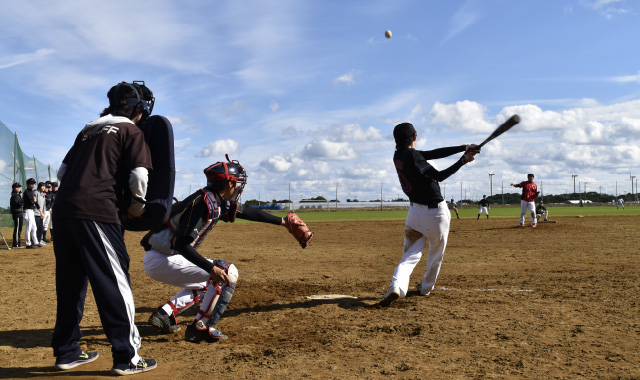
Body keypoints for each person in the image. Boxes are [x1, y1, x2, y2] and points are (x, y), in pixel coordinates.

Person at [142, 157, 313, 342]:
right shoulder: (204, 203)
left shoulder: (213, 199)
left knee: (208, 283)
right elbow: (181, 244)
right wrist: (211, 269)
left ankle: (164, 314)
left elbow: (246, 212)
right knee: (225, 273)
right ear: (229, 183)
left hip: (163, 257)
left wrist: (284, 223)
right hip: (164, 258)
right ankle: (201, 327)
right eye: (238, 183)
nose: (239, 188)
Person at [51, 81, 157, 375]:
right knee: (114, 280)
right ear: (139, 109)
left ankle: (67, 351)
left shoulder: (88, 129)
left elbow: (62, 172)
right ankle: (127, 357)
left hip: (63, 211)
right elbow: (139, 175)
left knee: (70, 282)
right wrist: (136, 208)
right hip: (97, 210)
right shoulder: (130, 130)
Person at [379, 122, 479, 307]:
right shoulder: (412, 155)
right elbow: (439, 176)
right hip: (436, 214)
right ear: (415, 137)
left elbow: (433, 153)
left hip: (414, 214)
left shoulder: (399, 155)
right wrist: (463, 161)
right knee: (435, 255)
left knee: (409, 256)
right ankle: (425, 288)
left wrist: (463, 148)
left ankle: (397, 286)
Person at [22, 178, 43, 248]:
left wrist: (40, 212)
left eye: (34, 183)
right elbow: (32, 202)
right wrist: (34, 200)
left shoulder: (31, 192)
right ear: (28, 184)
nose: (33, 185)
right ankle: (28, 243)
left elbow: (35, 202)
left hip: (31, 211)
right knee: (29, 227)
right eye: (31, 183)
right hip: (27, 211)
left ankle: (35, 242)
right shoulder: (26, 192)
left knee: (34, 227)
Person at [10, 182, 24, 248]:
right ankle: (16, 244)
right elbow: (17, 204)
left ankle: (18, 243)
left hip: (20, 213)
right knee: (17, 228)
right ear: (13, 188)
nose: (18, 188)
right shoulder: (15, 195)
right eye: (17, 187)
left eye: (19, 187)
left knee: (19, 229)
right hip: (17, 213)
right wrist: (23, 201)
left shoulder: (18, 195)